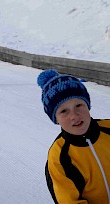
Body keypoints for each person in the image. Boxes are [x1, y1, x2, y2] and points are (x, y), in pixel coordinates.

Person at [37, 69, 110, 203]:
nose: (74, 116)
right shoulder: (60, 157)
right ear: (56, 119)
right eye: (64, 111)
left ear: (88, 105)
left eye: (79, 105)